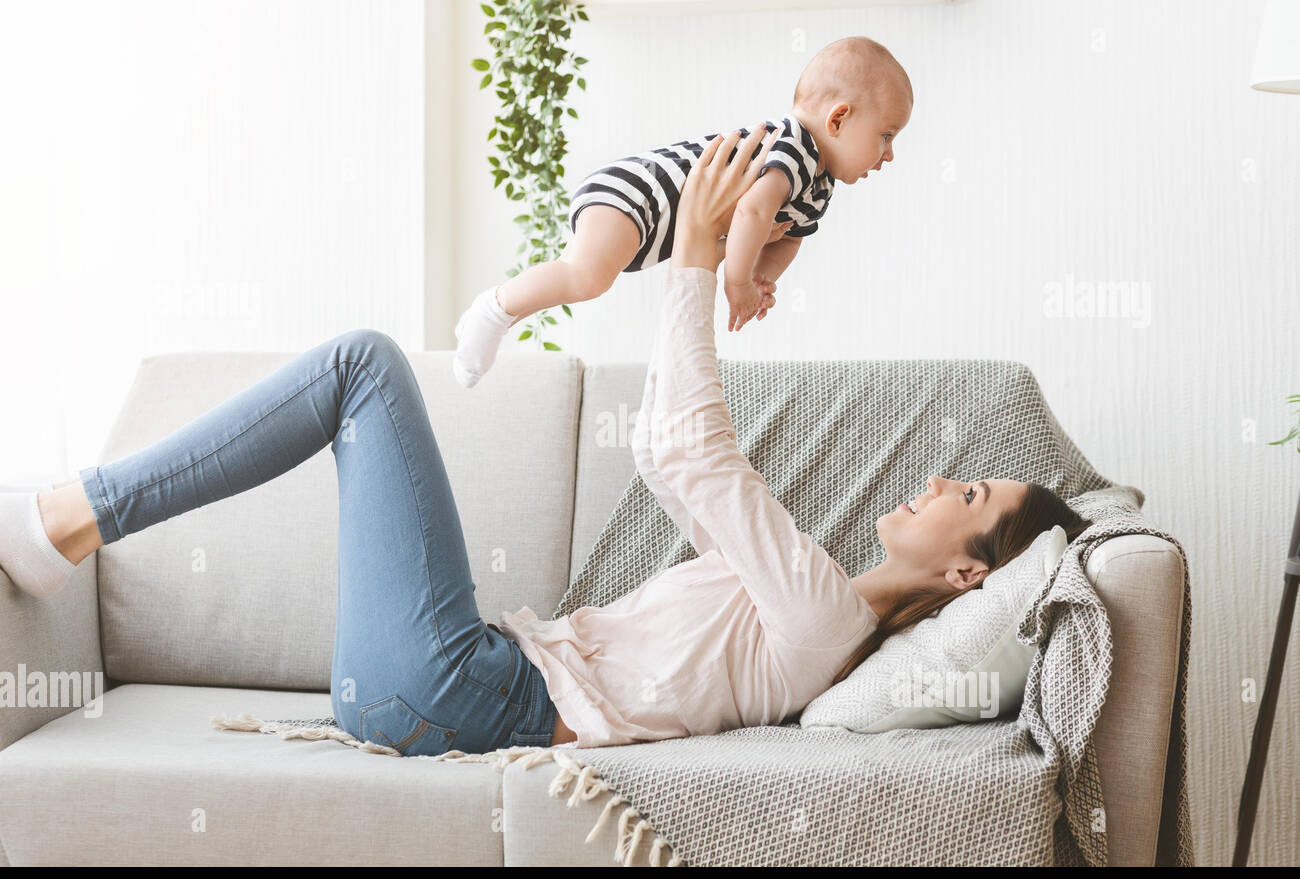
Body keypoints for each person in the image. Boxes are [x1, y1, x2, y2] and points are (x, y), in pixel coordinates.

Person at [0, 125, 1090, 757]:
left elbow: (696, 452)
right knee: (359, 372)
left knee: (360, 366)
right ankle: (66, 518)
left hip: (461, 689)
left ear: (965, 569)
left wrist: (699, 263)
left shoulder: (819, 615)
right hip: (444, 682)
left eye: (971, 490)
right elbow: (673, 454)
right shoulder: (802, 601)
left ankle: (64, 520)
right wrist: (691, 270)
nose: (940, 477)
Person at [452, 35, 914, 387]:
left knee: (589, 277)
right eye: (886, 135)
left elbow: (786, 238)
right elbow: (754, 214)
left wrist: (756, 277)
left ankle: (502, 315)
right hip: (641, 192)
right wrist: (735, 284)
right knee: (585, 276)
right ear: (838, 118)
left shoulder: (819, 186)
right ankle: (493, 310)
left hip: (653, 230)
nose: (889, 155)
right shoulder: (797, 146)